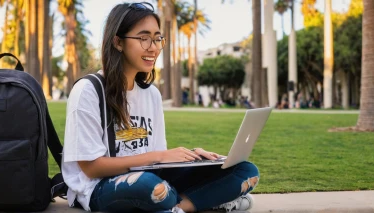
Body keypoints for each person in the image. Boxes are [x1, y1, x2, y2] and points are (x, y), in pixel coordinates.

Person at [62, 2, 260, 213]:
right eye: (144, 38)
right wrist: (158, 157)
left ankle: (177, 208)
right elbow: (91, 168)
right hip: (101, 187)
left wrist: (194, 158)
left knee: (245, 170)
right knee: (149, 186)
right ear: (118, 42)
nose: (154, 47)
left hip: (154, 179)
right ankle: (206, 201)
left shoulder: (151, 94)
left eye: (157, 38)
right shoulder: (88, 90)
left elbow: (159, 160)